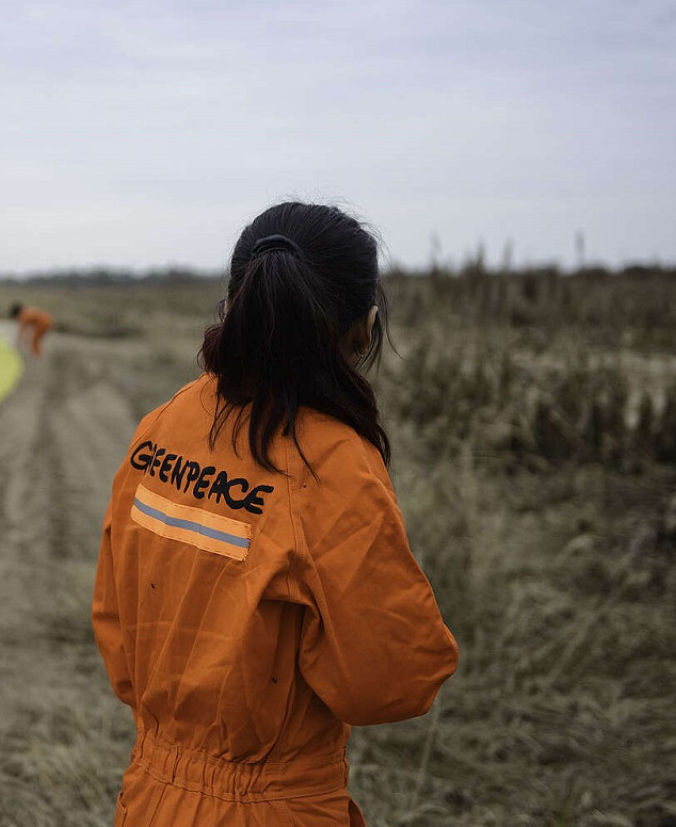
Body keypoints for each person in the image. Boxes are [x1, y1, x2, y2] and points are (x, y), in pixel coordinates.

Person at [92, 202, 459, 826]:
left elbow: (116, 619)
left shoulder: (165, 424)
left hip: (149, 796)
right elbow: (390, 682)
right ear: (364, 327)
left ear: (234, 305)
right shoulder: (333, 465)